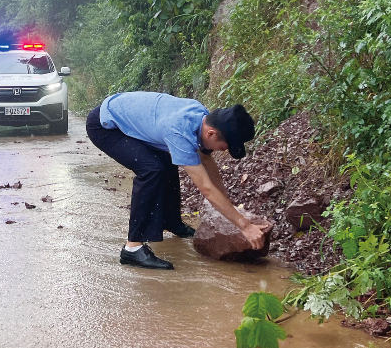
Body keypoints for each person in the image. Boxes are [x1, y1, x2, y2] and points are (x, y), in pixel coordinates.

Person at [85, 92, 268, 270]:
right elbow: (206, 188)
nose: (224, 151)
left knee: (168, 162)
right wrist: (245, 225)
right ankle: (132, 248)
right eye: (225, 146)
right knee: (152, 170)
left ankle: (171, 221)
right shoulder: (179, 132)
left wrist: (228, 207)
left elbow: (205, 159)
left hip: (131, 116)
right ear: (211, 134)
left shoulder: (201, 116)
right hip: (105, 126)